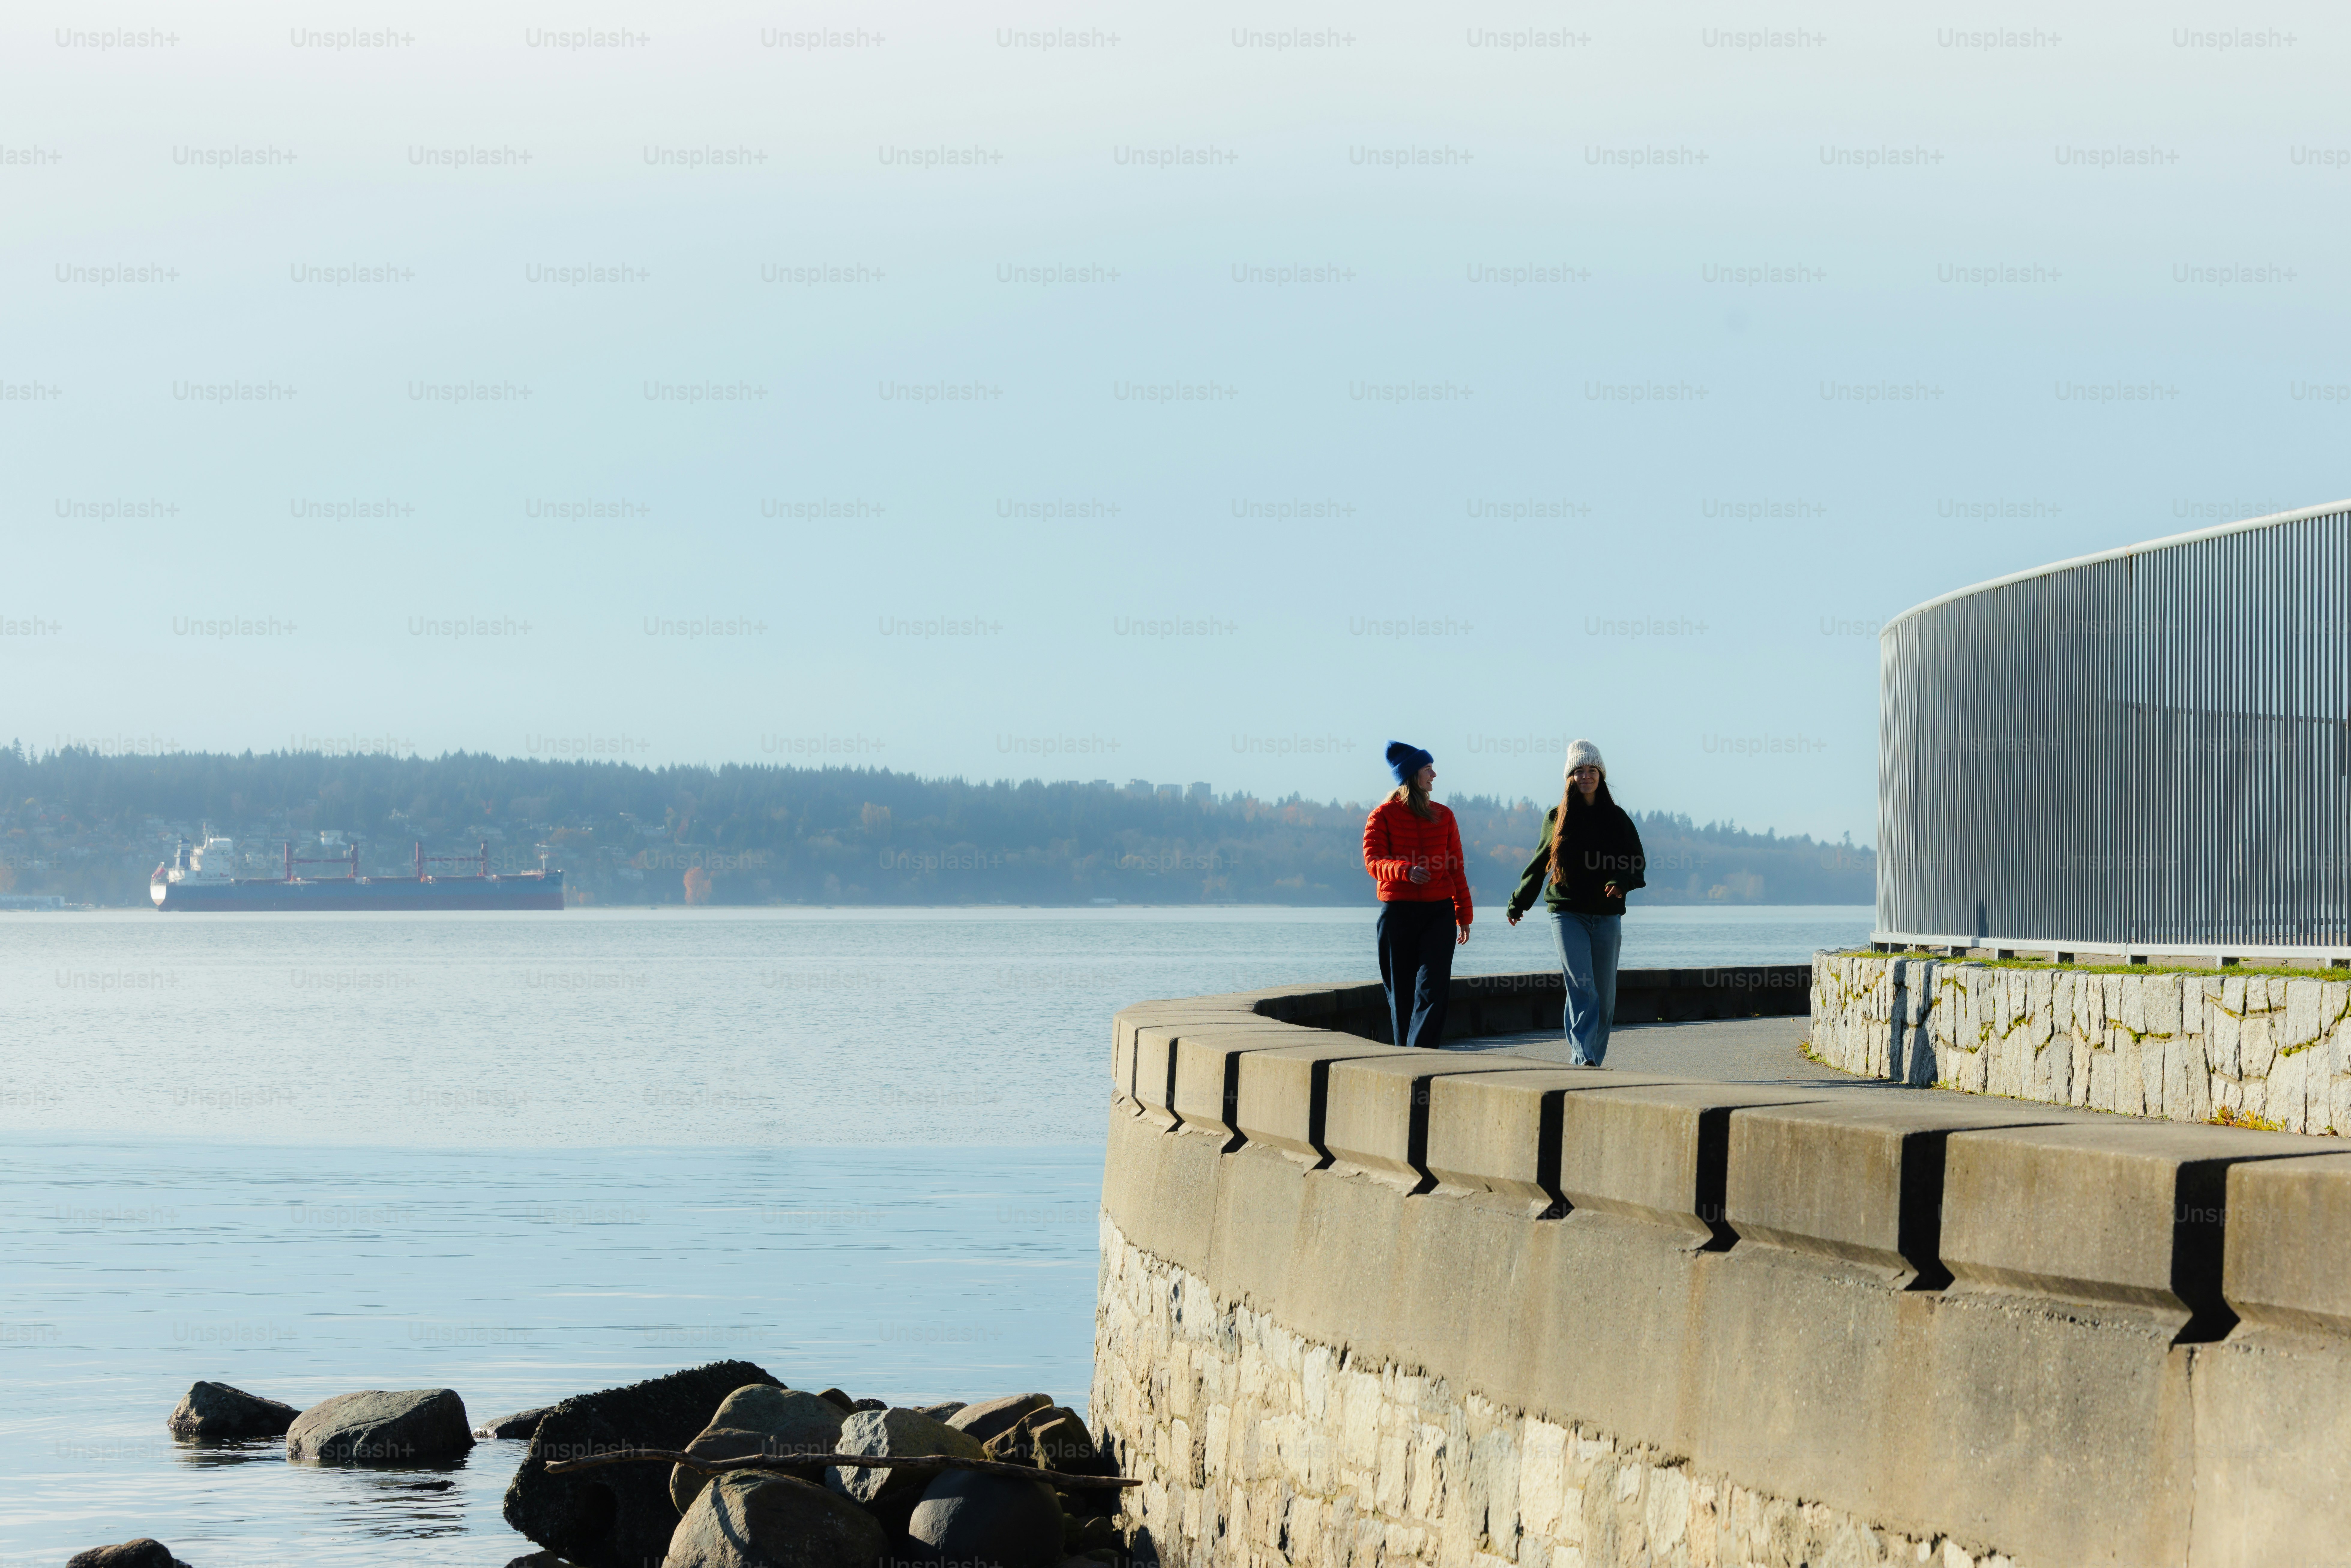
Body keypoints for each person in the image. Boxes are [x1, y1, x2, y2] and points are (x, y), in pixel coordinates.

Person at [1506, 739, 1645, 1065]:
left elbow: (1636, 861)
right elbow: (1541, 861)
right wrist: (1519, 901)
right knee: (1583, 989)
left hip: (1607, 916)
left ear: (1601, 774)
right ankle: (1584, 1060)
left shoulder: (1617, 818)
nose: (1586, 776)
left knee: (1606, 999)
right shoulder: (1557, 817)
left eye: (1592, 770)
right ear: (1570, 777)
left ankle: (1591, 1058)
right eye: (1579, 771)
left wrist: (1621, 882)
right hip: (1567, 913)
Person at [1363, 741, 1473, 1050]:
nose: (1434, 775)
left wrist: (1463, 914)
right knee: (1401, 995)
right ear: (1412, 775)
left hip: (1438, 913)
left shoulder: (1445, 815)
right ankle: (1406, 1062)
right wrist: (1405, 870)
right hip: (1398, 914)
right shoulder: (1381, 816)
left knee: (1433, 989)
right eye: (1428, 769)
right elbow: (1374, 862)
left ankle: (1421, 1057)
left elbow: (1456, 868)